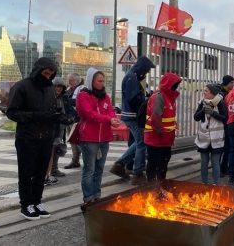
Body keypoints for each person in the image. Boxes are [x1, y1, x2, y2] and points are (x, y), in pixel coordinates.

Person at [6, 57, 59, 220]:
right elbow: (12, 112)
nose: (48, 77)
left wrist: (60, 117)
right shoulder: (22, 86)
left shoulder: (50, 88)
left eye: (51, 74)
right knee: (27, 172)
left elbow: (53, 109)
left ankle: (36, 201)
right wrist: (35, 116)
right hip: (27, 138)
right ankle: (26, 204)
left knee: (41, 172)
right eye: (45, 73)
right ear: (38, 70)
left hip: (46, 137)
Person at [77, 68, 121, 205]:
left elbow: (111, 112)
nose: (102, 83)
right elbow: (89, 114)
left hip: (104, 138)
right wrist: (109, 120)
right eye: (99, 81)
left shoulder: (105, 96)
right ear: (92, 81)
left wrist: (114, 119)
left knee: (99, 169)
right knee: (89, 170)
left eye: (103, 81)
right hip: (89, 138)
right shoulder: (83, 95)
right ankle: (88, 198)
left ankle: (97, 195)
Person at [111, 56, 155, 185]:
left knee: (138, 142)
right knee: (142, 143)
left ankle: (120, 164)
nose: (146, 73)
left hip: (132, 115)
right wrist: (146, 102)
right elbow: (133, 99)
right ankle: (138, 173)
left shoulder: (135, 77)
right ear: (142, 68)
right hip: (133, 116)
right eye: (146, 70)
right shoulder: (132, 78)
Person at [143, 73, 182, 182]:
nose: (176, 87)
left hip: (164, 138)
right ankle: (152, 187)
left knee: (163, 163)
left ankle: (159, 185)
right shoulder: (159, 96)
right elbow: (156, 117)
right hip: (156, 138)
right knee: (155, 163)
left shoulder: (168, 97)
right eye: (175, 84)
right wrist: (161, 133)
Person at [194, 84, 227, 185]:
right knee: (204, 162)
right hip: (204, 139)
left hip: (216, 139)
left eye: (206, 91)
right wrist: (203, 110)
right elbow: (196, 117)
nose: (204, 92)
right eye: (204, 90)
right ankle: (204, 183)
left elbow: (225, 118)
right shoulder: (202, 102)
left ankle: (216, 184)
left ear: (212, 93)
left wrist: (213, 113)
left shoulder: (220, 103)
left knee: (215, 163)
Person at [45, 78, 75, 185]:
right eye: (56, 86)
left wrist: (70, 118)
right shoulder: (48, 98)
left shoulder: (64, 98)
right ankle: (47, 174)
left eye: (60, 86)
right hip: (51, 128)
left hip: (61, 128)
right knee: (49, 152)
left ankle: (53, 170)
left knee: (57, 150)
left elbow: (70, 110)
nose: (58, 88)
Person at [64, 73, 84, 169]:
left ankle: (84, 159)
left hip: (77, 119)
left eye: (71, 80)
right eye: (68, 80)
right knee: (72, 141)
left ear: (77, 80)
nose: (69, 82)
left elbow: (78, 102)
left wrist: (66, 101)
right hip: (69, 119)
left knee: (78, 141)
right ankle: (75, 160)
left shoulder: (81, 89)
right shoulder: (68, 90)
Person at [218, 75, 234, 178]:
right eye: (231, 83)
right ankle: (219, 169)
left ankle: (224, 168)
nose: (233, 85)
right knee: (221, 148)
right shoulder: (221, 93)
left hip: (228, 123)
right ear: (227, 83)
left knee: (227, 147)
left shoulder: (229, 93)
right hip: (222, 124)